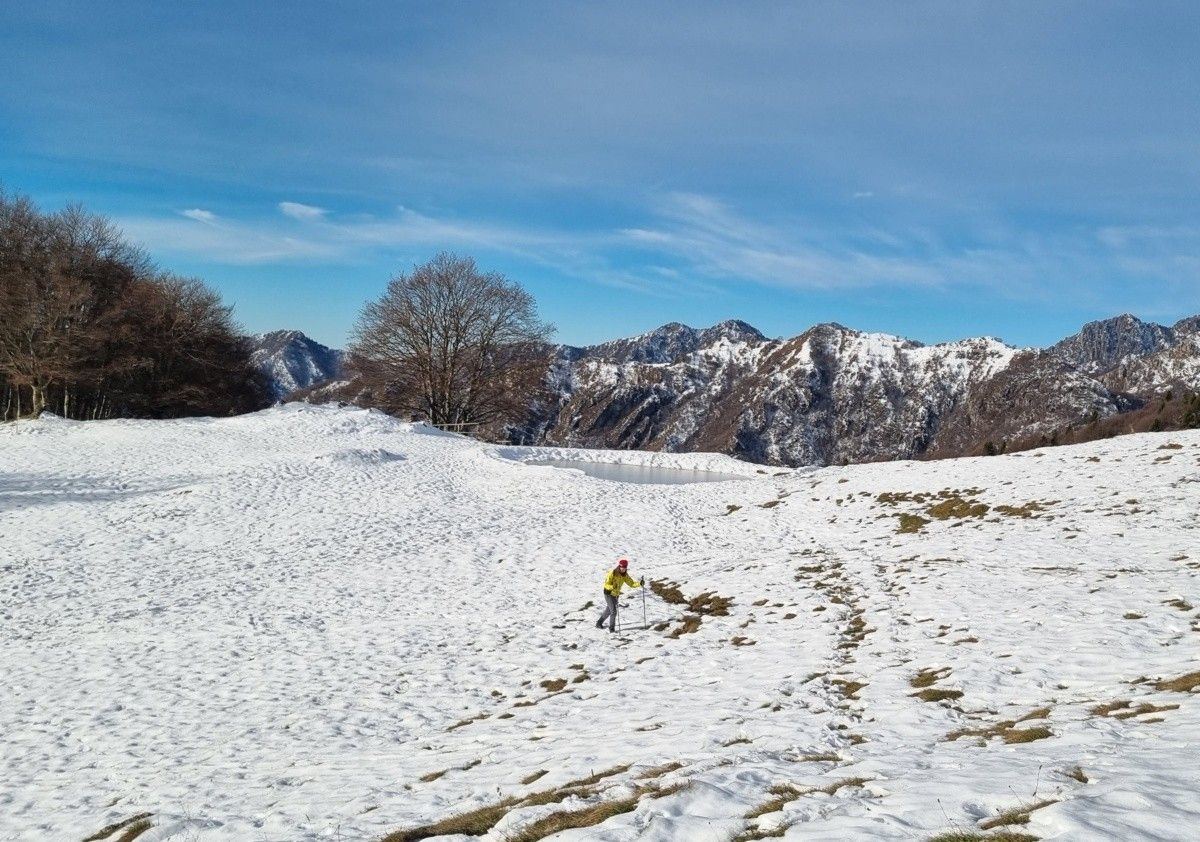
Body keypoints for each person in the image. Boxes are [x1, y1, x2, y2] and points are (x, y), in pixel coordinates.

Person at [596, 558, 643, 633]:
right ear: (619, 566)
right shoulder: (612, 573)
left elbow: (631, 584)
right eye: (622, 567)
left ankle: (599, 623)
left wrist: (640, 584)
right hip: (608, 593)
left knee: (609, 611)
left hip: (616, 595)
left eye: (624, 568)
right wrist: (612, 587)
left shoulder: (625, 575)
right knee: (613, 611)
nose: (623, 569)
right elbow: (606, 584)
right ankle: (612, 629)